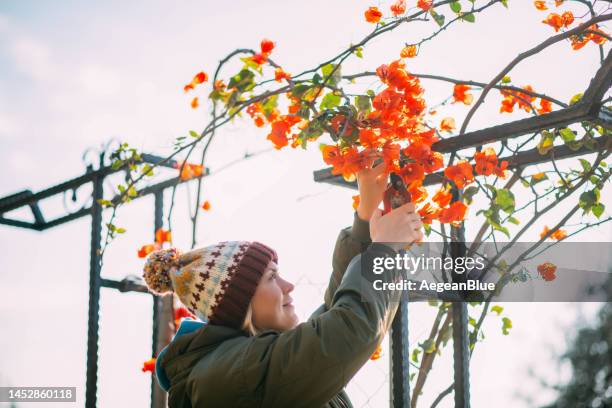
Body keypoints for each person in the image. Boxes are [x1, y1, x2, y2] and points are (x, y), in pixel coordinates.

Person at [142, 156, 424, 407]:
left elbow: (332, 314)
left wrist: (365, 218)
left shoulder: (242, 362)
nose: (288, 286)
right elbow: (344, 334)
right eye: (271, 277)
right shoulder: (231, 374)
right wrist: (384, 249)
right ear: (239, 304)